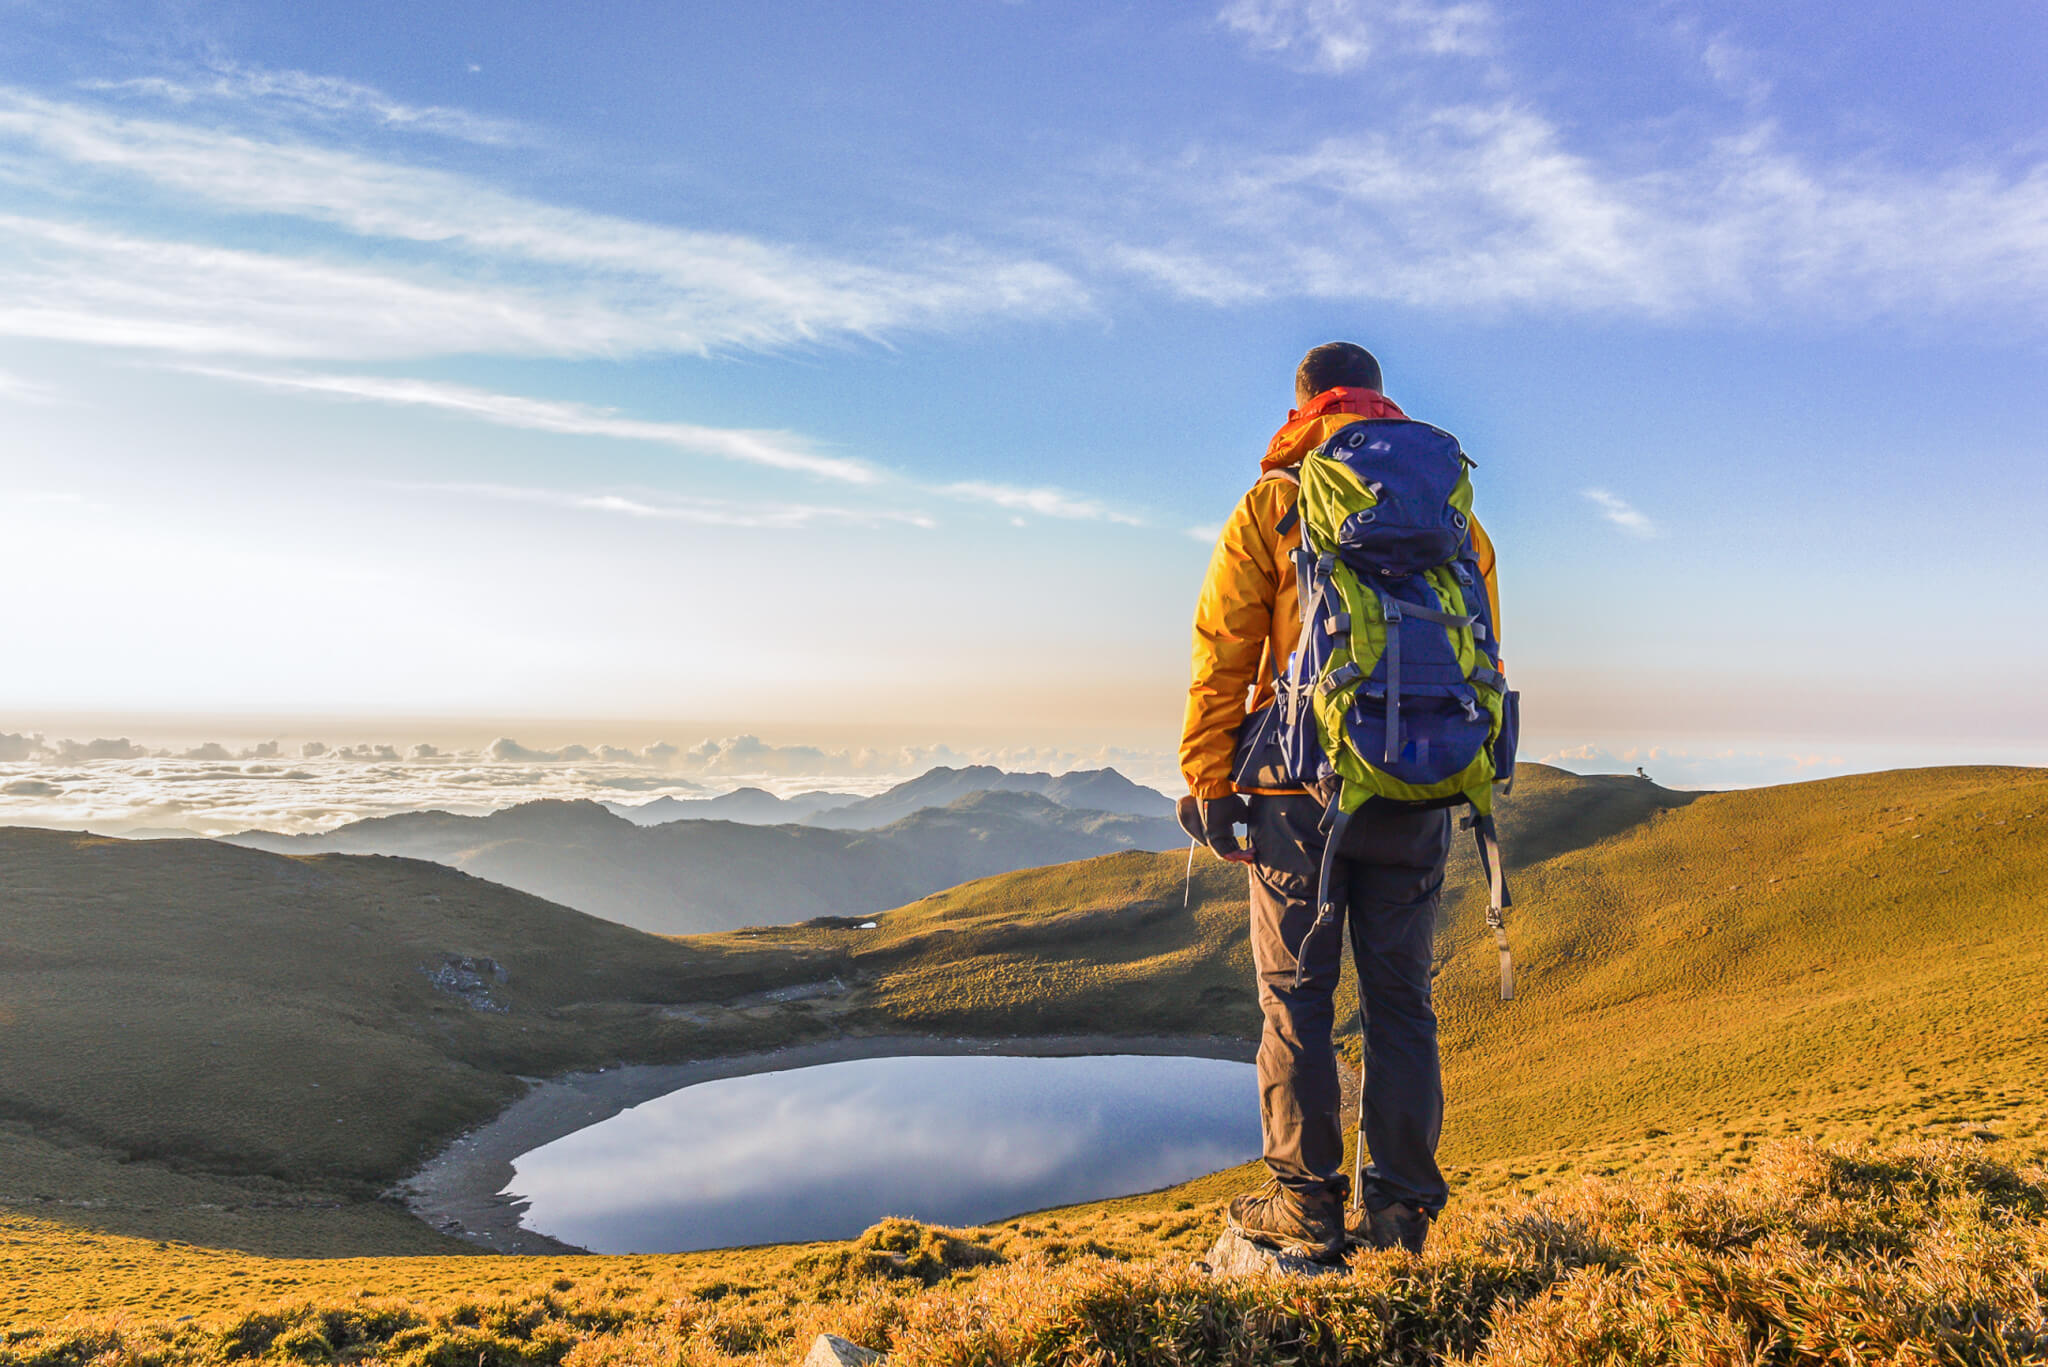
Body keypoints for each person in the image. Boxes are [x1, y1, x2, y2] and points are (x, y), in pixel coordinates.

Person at [1180, 342, 1501, 1259]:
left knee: (1297, 1000)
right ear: (1379, 400)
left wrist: (1209, 776)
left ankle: (1306, 1204)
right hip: (1418, 791)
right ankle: (1401, 1211)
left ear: (1305, 403)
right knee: (1402, 1002)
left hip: (1298, 795)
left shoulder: (1276, 503)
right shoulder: (1451, 513)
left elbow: (1224, 648)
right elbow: (1485, 652)